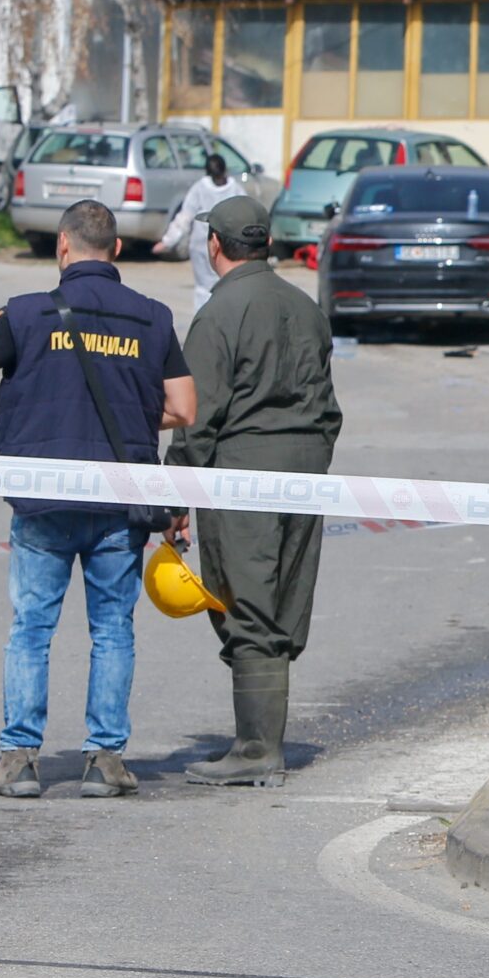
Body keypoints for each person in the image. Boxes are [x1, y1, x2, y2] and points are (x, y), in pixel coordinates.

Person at [0, 199, 195, 800]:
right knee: (113, 629)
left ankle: (19, 760)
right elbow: (185, 408)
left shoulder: (29, 314)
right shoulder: (153, 317)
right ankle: (105, 760)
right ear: (115, 250)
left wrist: (5, 317)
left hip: (44, 502)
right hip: (121, 502)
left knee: (32, 627)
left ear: (62, 248)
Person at [167, 196, 341, 787]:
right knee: (283, 601)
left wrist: (172, 495)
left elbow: (195, 415)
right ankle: (263, 742)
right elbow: (328, 408)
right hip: (305, 470)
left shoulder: (219, 314)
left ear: (215, 245)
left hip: (243, 473)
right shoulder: (305, 307)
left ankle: (256, 749)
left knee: (246, 603)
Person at [158, 148, 251, 313]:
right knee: (226, 283)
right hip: (228, 245)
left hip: (202, 245)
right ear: (225, 170)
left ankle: (203, 323)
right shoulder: (234, 188)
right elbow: (247, 213)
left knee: (203, 288)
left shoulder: (200, 188)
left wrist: (168, 241)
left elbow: (184, 217)